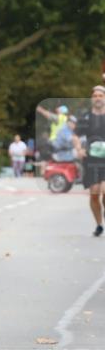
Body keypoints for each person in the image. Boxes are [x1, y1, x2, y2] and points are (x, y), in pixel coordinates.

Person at [74, 86, 105, 237]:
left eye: (100, 95)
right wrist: (79, 149)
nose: (98, 98)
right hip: (91, 159)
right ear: (92, 99)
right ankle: (99, 224)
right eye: (95, 96)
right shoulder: (86, 117)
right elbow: (76, 135)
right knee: (94, 194)